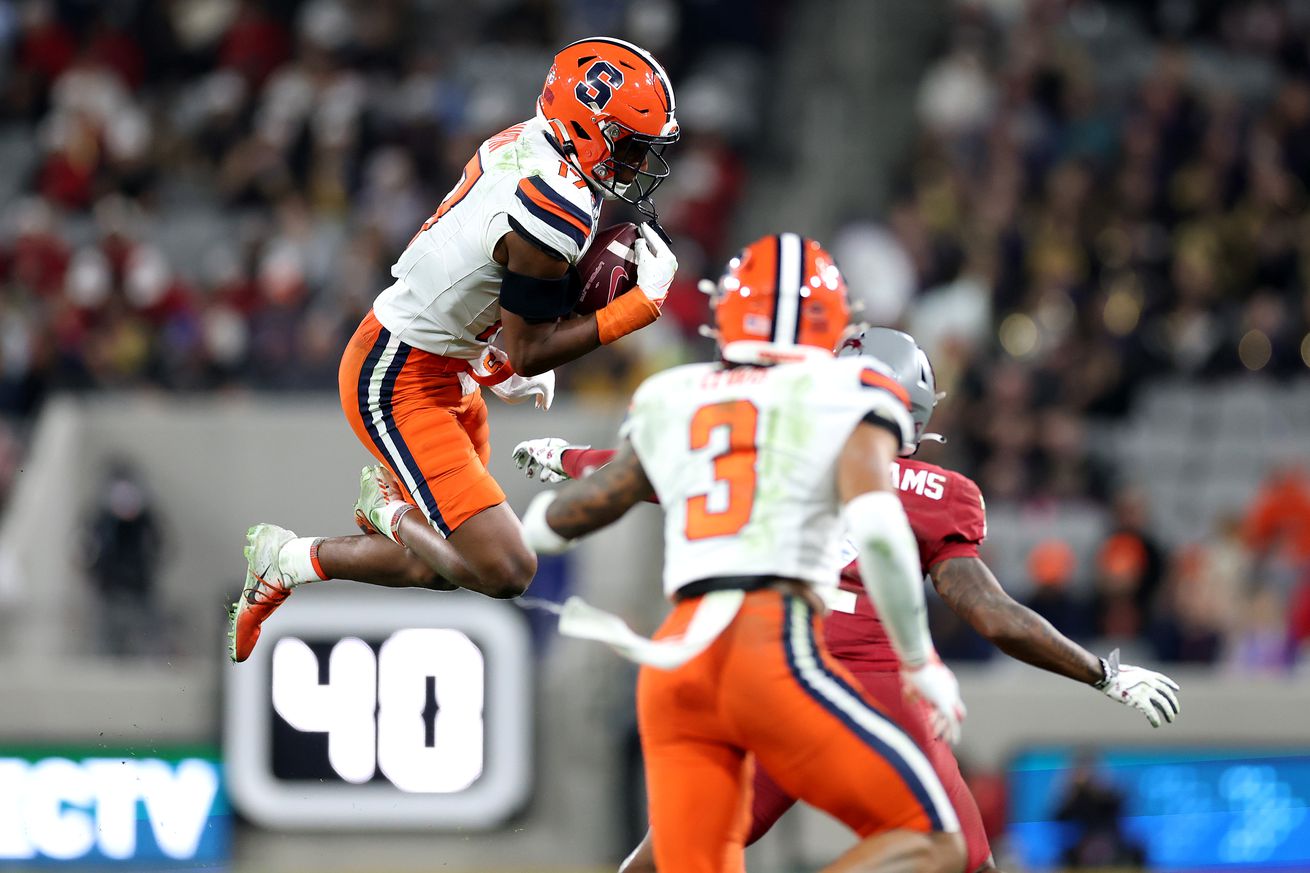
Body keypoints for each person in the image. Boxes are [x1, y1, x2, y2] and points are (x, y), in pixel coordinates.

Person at [515, 328, 1182, 873]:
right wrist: (1103, 673)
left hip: (774, 677)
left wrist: (571, 458)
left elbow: (655, 471)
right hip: (875, 689)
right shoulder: (936, 491)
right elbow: (993, 616)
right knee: (964, 858)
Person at [520, 234, 968, 873]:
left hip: (675, 663)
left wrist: (509, 534)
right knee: (935, 842)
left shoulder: (674, 393)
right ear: (833, 319)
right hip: (767, 644)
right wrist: (920, 659)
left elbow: (577, 513)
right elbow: (875, 525)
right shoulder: (849, 390)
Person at [228, 37, 681, 663]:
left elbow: (478, 273)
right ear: (589, 126)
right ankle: (382, 511)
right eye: (631, 145)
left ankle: (288, 560)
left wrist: (494, 350)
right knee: (504, 568)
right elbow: (530, 350)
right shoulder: (556, 208)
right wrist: (634, 311)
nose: (637, 164)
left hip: (448, 363)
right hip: (399, 377)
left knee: (443, 569)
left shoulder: (535, 142)